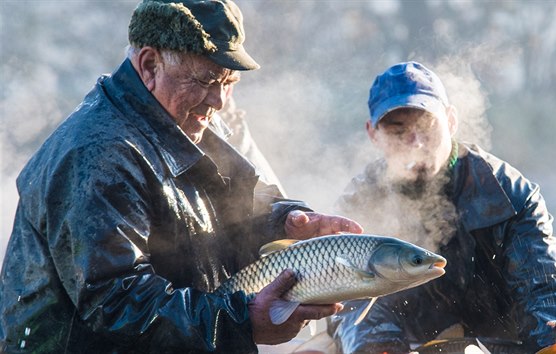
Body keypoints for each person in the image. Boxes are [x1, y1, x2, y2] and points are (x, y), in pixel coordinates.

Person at [0, 0, 363, 352]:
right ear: (149, 65)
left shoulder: (183, 121)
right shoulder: (98, 153)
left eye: (228, 81)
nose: (219, 101)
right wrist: (242, 322)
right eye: (206, 80)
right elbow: (118, 302)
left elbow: (230, 203)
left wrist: (284, 222)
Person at [327, 61, 556, 353]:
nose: (415, 142)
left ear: (451, 121)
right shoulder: (360, 200)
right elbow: (349, 301)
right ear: (373, 134)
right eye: (398, 130)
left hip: (505, 345)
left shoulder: (509, 192)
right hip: (408, 346)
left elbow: (548, 290)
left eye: (427, 126)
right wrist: (378, 346)